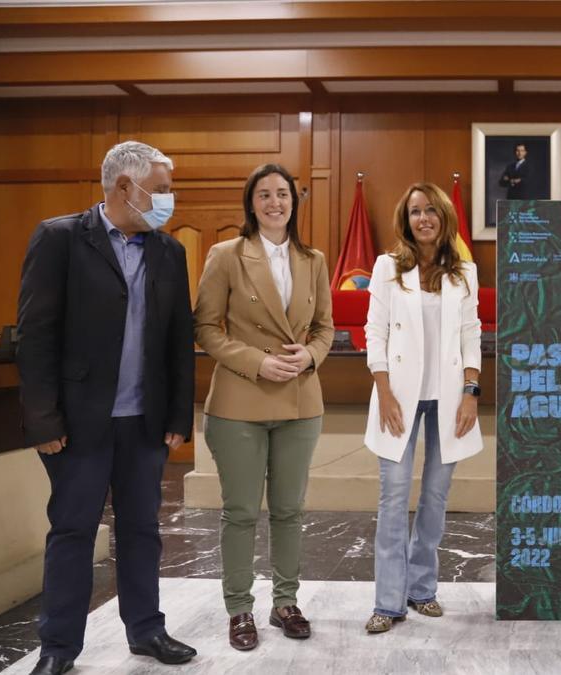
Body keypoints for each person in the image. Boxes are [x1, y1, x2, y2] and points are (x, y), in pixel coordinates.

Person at [16, 141, 196, 675]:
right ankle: (58, 649)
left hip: (144, 422)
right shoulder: (61, 239)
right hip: (78, 424)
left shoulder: (170, 252)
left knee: (143, 529)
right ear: (126, 188)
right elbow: (35, 336)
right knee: (73, 532)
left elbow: (177, 342)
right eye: (161, 190)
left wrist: (178, 417)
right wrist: (43, 420)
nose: (169, 200)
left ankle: (146, 631)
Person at [193, 163, 334, 651]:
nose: (275, 202)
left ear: (295, 203)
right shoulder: (226, 254)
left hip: (301, 402)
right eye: (265, 195)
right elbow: (206, 328)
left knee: (290, 510)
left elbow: (325, 328)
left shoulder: (313, 258)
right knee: (240, 512)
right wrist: (257, 361)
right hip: (238, 403)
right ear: (251, 204)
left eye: (283, 195)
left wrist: (311, 355)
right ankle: (239, 610)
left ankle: (286, 602)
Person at [362, 182, 482, 633]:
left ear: (444, 216)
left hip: (450, 399)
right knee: (393, 497)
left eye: (431, 210)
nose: (423, 218)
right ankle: (387, 602)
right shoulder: (387, 267)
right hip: (398, 398)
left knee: (434, 498)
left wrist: (472, 392)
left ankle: (422, 590)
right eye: (415, 212)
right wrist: (385, 390)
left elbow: (471, 334)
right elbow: (374, 333)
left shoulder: (463, 271)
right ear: (405, 219)